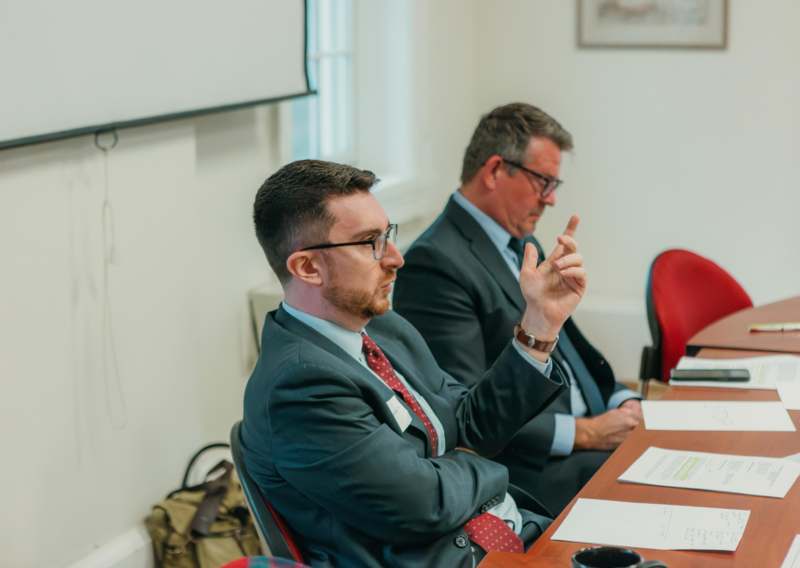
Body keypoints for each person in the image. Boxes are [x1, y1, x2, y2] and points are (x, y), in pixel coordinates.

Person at [241, 159, 587, 567]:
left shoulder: (384, 328)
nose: (395, 258)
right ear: (307, 267)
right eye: (369, 242)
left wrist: (539, 325)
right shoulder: (299, 386)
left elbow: (471, 425)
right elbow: (426, 504)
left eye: (387, 235)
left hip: (515, 531)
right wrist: (480, 464)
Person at [393, 102, 642, 515]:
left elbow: (568, 349)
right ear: (494, 170)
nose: (551, 199)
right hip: (534, 470)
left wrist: (621, 398)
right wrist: (585, 432)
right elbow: (463, 411)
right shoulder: (435, 263)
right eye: (543, 181)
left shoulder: (521, 241)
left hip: (593, 433)